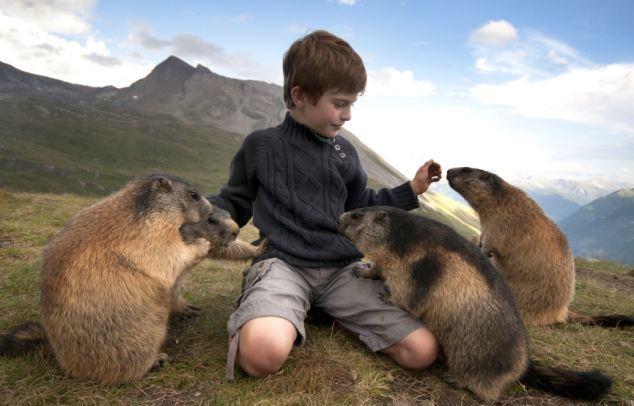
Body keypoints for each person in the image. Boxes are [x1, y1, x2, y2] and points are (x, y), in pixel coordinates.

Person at [208, 30, 442, 380]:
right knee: (261, 356)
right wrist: (196, 213)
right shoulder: (260, 146)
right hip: (283, 265)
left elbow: (363, 206)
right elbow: (234, 202)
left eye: (352, 104)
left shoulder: (345, 152)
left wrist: (412, 190)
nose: (348, 115)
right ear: (299, 95)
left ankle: (325, 311)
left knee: (422, 352)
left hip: (342, 271)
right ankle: (271, 309)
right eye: (340, 103)